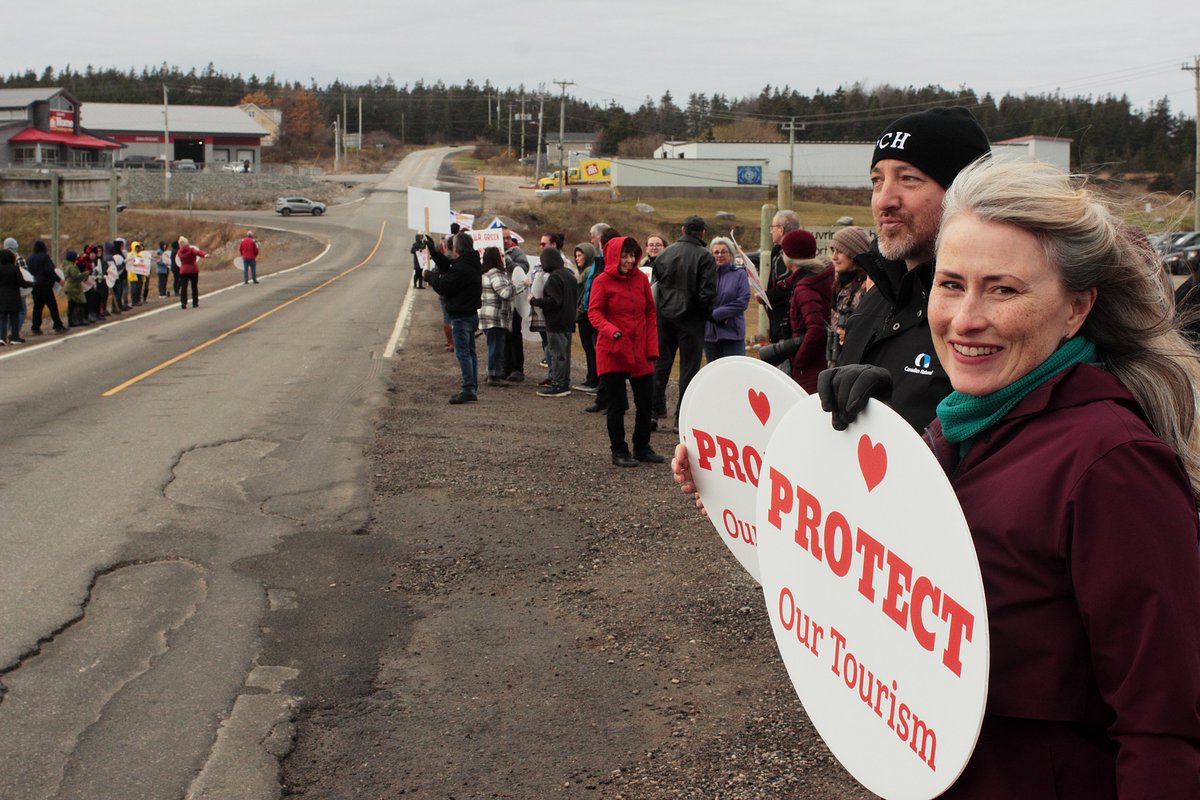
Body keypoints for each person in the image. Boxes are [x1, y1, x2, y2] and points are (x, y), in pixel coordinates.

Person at [914, 156, 1200, 797]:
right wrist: (811, 449)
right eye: (951, 284)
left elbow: (1164, 724)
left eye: (1004, 290)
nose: (965, 318)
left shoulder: (1111, 463)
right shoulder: (959, 425)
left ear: (1076, 309)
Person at [824, 106, 992, 432]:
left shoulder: (988, 320)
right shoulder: (877, 298)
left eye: (908, 179)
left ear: (964, 193)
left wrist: (896, 431)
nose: (883, 200)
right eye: (877, 180)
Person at [588, 236, 665, 467]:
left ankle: (642, 447)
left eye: (632, 255)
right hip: (612, 350)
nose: (629, 260)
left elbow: (650, 312)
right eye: (624, 256)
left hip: (639, 350)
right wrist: (610, 330)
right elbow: (594, 312)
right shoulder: (602, 281)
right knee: (617, 404)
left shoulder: (641, 279)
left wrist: (652, 347)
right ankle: (619, 451)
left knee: (646, 402)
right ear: (614, 256)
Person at [651, 215, 717, 429]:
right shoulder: (705, 257)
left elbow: (655, 287)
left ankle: (653, 411)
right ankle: (681, 418)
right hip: (692, 319)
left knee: (661, 364)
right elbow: (707, 294)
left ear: (682, 230)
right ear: (702, 233)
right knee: (689, 369)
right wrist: (705, 315)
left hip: (664, 316)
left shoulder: (665, 254)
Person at [426, 232, 483, 404]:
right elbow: (449, 265)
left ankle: (468, 389)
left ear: (457, 248)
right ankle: (472, 387)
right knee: (470, 353)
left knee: (463, 354)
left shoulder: (462, 268)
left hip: (461, 316)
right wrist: (434, 252)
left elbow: (444, 286)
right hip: (471, 314)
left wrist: (430, 277)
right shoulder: (472, 262)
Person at [777, 229, 834, 392]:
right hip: (819, 362)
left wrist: (799, 360)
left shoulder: (804, 288)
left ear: (789, 256)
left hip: (808, 370)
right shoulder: (820, 277)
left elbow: (815, 329)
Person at [529, 246, 577, 397]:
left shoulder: (554, 277)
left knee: (557, 354)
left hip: (556, 321)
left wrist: (535, 301)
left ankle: (559, 385)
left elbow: (554, 301)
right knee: (564, 355)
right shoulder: (569, 276)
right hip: (568, 321)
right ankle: (564, 382)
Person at [825, 226, 873, 365]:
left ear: (854, 254)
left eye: (840, 251)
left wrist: (851, 334)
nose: (834, 257)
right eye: (833, 251)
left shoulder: (868, 287)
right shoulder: (840, 284)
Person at [703, 236, 750, 361]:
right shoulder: (706, 275)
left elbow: (742, 301)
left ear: (730, 254)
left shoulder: (739, 274)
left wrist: (716, 314)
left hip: (732, 333)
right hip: (709, 335)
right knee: (715, 370)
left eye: (724, 252)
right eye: (716, 252)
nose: (720, 255)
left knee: (735, 370)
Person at [762, 209, 802, 342]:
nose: (770, 231)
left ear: (781, 229)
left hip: (786, 324)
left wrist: (764, 296)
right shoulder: (784, 250)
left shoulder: (785, 254)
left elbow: (785, 288)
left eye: (772, 227)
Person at [479, 246, 514, 387]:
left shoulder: (484, 274)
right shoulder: (496, 275)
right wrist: (514, 285)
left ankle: (490, 372)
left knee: (492, 346)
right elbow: (505, 293)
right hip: (496, 316)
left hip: (486, 315)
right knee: (496, 347)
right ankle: (493, 375)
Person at [571, 242, 601, 394]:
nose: (577, 259)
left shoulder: (589, 271)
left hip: (586, 314)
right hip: (584, 313)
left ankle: (594, 379)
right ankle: (591, 377)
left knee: (590, 348)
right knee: (589, 348)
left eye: (580, 255)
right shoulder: (586, 271)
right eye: (576, 256)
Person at [502, 228, 530, 382]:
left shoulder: (517, 252)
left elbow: (524, 268)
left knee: (514, 333)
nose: (507, 241)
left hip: (515, 299)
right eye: (504, 238)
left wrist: (510, 263)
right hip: (500, 299)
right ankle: (504, 366)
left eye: (508, 237)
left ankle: (517, 368)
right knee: (502, 334)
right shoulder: (492, 251)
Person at [26, 240, 65, 335]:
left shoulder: (30, 259)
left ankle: (35, 327)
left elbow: (28, 272)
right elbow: (50, 271)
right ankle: (58, 325)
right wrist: (59, 280)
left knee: (37, 307)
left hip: (34, 285)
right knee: (52, 305)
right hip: (45, 285)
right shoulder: (45, 257)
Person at [0, 248, 31, 345]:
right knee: (14, 317)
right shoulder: (15, 269)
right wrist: (31, 283)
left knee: (2, 318)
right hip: (14, 296)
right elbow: (21, 283)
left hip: (1, 297)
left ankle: (2, 338)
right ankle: (14, 337)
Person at [176, 236, 207, 309]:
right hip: (193, 270)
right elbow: (198, 252)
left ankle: (183, 302)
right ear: (187, 243)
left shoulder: (179, 252)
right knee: (194, 287)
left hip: (183, 270)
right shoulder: (191, 250)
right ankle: (195, 302)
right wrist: (204, 255)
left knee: (184, 287)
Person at [61, 249, 89, 327]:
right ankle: (80, 320)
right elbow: (76, 276)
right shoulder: (72, 266)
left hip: (68, 287)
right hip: (74, 288)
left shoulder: (66, 265)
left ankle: (71, 321)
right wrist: (87, 273)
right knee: (82, 302)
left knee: (71, 304)